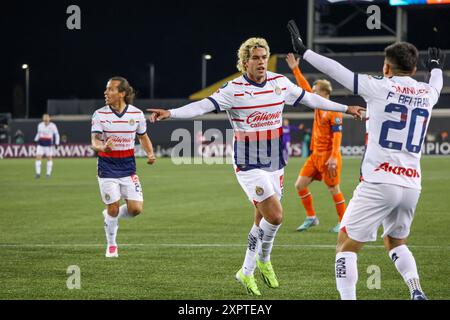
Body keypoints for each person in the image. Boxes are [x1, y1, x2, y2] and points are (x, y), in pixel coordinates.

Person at [147, 37, 364, 296]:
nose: (261, 62)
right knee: (276, 215)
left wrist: (346, 108)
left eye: (264, 57)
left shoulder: (279, 83)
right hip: (248, 163)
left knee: (261, 220)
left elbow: (311, 100)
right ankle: (260, 261)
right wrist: (171, 113)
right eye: (255, 58)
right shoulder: (233, 90)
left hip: (275, 161)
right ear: (244, 62)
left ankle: (249, 269)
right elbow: (202, 106)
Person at [288, 19, 445, 300]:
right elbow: (436, 83)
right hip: (411, 185)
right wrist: (435, 66)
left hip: (378, 182)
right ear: (413, 68)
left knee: (344, 246)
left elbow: (338, 71)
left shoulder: (377, 87)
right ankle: (416, 290)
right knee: (395, 241)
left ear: (386, 67)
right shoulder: (427, 94)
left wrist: (305, 52)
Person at [91, 76, 156, 258]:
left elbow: (142, 136)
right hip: (107, 166)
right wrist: (102, 146)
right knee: (113, 207)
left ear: (122, 93)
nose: (106, 92)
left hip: (128, 167)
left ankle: (110, 216)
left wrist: (150, 153)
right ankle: (112, 245)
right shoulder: (100, 114)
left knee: (136, 209)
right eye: (106, 89)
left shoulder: (136, 114)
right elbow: (94, 141)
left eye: (110, 89)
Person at [285, 53, 346, 233]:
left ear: (325, 92)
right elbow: (304, 88)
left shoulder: (333, 111)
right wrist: (295, 69)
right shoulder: (318, 106)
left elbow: (337, 137)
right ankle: (311, 217)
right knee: (299, 185)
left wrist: (334, 157)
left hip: (329, 156)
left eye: (315, 89)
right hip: (315, 156)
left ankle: (344, 222)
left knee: (334, 188)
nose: (312, 91)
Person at [34, 113, 60, 178]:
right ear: (43, 119)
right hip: (41, 144)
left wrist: (57, 143)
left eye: (47, 118)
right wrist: (35, 139)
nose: (45, 119)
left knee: (49, 158)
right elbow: (38, 133)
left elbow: (57, 134)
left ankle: (48, 174)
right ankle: (38, 174)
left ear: (49, 119)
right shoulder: (40, 125)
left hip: (48, 144)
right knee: (38, 157)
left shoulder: (53, 126)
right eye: (44, 118)